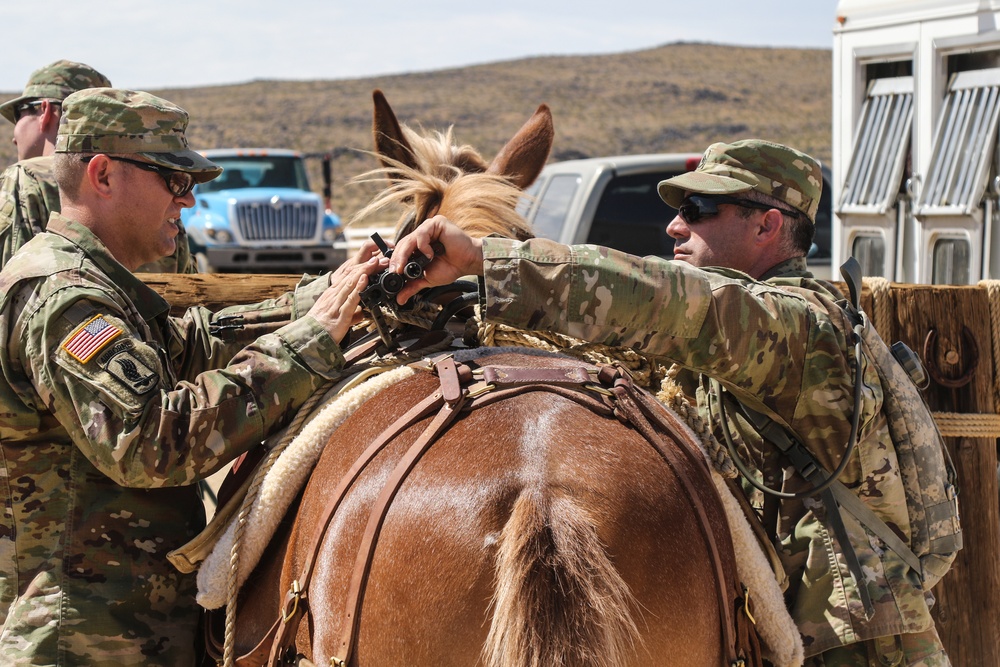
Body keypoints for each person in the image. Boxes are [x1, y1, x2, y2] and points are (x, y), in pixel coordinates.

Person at [388, 139, 949, 666]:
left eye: (700, 207)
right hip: (783, 628)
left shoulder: (798, 329)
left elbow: (660, 302)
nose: (674, 225)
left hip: (858, 647)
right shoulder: (733, 341)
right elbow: (593, 345)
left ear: (768, 224)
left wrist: (487, 259)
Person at [0, 87, 382, 665]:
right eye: (175, 181)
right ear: (102, 175)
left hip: (121, 629)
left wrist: (327, 297)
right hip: (84, 639)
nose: (188, 202)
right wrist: (308, 348)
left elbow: (193, 344)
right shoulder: (65, 300)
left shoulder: (95, 285)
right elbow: (151, 442)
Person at [0, 59, 195, 273]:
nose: (14, 136)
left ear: (44, 111)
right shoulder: (161, 200)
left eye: (19, 113)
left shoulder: (23, 179)